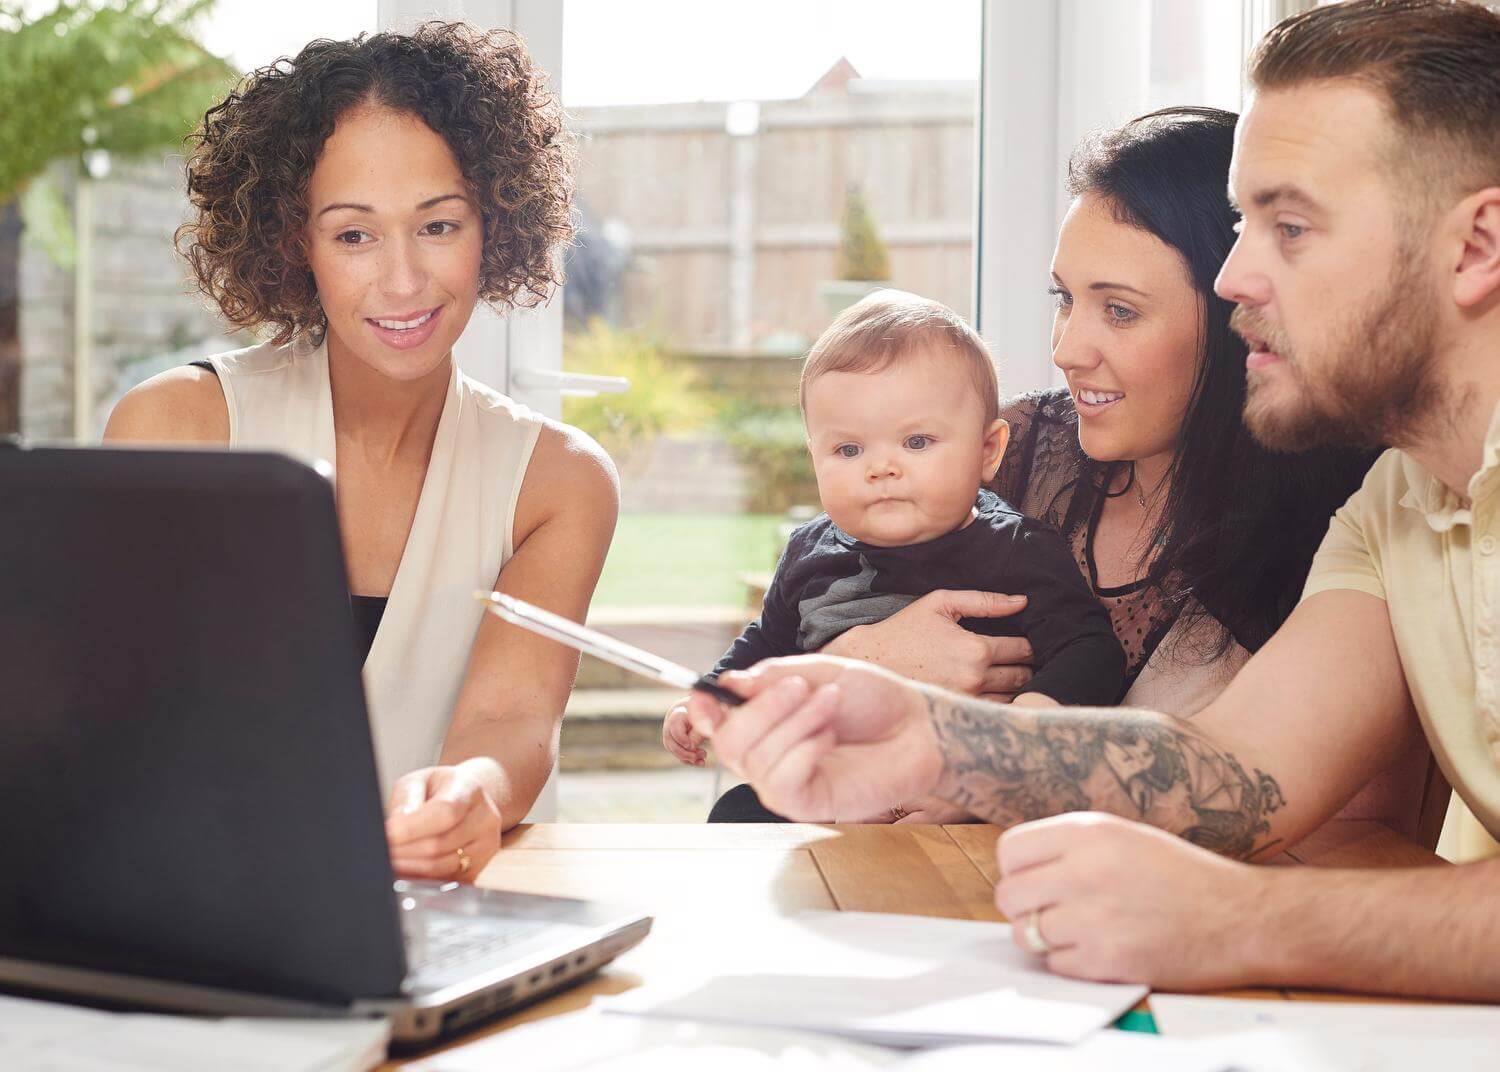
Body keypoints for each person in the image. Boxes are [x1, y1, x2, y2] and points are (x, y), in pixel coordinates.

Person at [689, 0, 1500, 999]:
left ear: (1476, 246)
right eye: (1245, 226)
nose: (1236, 277)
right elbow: (1244, 771)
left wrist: (1235, 919)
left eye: (1289, 227)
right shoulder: (1399, 501)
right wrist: (934, 743)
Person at [103, 24, 617, 883]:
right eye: (353, 235)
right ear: (292, 244)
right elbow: (116, 718)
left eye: (439, 225)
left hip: (431, 910)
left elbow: (514, 720)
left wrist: (473, 795)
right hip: (193, 893)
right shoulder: (179, 427)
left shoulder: (558, 483)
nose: (405, 280)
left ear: (496, 224)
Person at [660, 292, 1124, 818]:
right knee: (736, 813)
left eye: (917, 442)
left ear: (987, 451)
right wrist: (710, 699)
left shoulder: (1016, 552)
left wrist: (1011, 743)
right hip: (830, 791)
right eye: (849, 450)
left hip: (956, 793)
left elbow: (1092, 653)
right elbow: (766, 644)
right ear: (814, 457)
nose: (881, 468)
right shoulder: (809, 552)